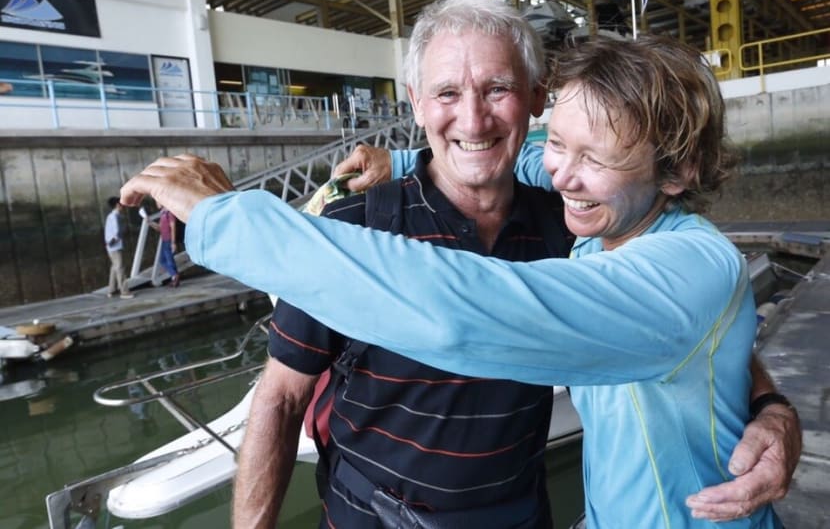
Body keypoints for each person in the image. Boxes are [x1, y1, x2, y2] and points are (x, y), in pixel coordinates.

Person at [120, 35, 802, 526]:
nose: (563, 173)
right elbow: (520, 154)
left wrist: (230, 219)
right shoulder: (593, 209)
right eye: (561, 142)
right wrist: (416, 154)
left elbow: (469, 308)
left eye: (595, 156)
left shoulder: (682, 261)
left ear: (677, 173)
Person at [234, 0, 571, 528]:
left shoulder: (566, 230)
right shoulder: (350, 228)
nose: (473, 118)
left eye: (497, 89)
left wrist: (761, 408)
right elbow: (279, 400)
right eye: (446, 93)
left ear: (535, 97)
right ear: (416, 104)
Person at [104, 196, 134, 299]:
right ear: (117, 205)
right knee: (120, 268)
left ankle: (111, 290)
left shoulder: (110, 216)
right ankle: (124, 292)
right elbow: (117, 232)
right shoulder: (116, 216)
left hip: (110, 246)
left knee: (114, 267)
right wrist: (116, 239)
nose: (123, 205)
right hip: (115, 246)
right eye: (121, 203)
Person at [150, 204, 180, 287]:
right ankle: (174, 276)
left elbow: (173, 227)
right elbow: (159, 228)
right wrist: (150, 222)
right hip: (164, 239)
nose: (156, 203)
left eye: (157, 201)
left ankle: (174, 276)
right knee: (163, 260)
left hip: (168, 239)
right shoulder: (163, 213)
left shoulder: (169, 213)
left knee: (168, 259)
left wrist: (173, 242)